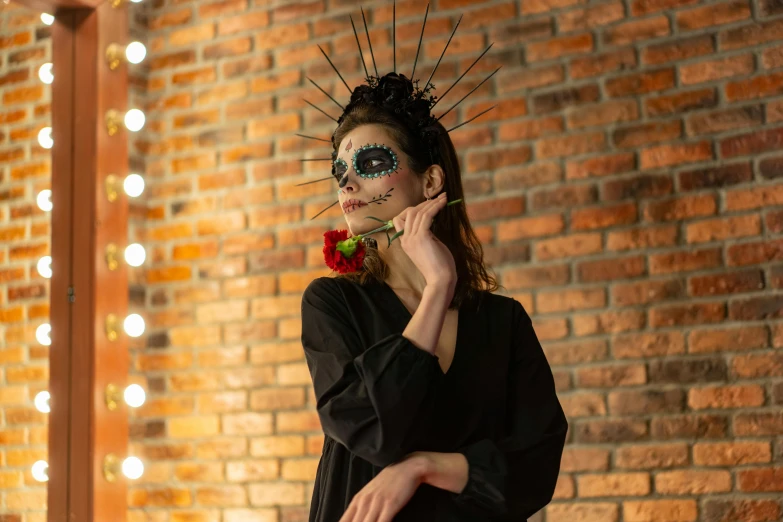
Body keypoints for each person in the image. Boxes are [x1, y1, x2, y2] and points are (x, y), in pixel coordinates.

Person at [298, 6, 568, 521]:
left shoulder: (504, 323)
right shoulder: (332, 303)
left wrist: (422, 466)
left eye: (371, 164)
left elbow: (535, 466)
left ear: (432, 183)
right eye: (340, 171)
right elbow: (375, 431)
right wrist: (439, 284)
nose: (347, 183)